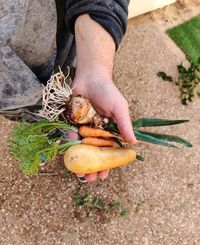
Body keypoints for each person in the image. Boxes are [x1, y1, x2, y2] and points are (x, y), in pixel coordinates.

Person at [0, 0, 137, 182]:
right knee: (32, 117)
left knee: (65, 105)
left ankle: (68, 140)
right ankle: (50, 139)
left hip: (61, 64)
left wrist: (94, 70)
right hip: (8, 100)